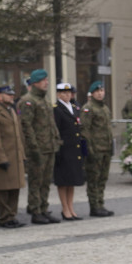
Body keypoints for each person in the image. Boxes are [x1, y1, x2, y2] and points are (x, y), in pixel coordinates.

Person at [19, 68, 61, 224]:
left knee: (45, 181)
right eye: (44, 80)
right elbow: (27, 127)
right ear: (36, 82)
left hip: (49, 147)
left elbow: (51, 124)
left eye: (47, 80)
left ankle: (44, 208)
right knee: (36, 181)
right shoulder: (28, 101)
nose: (47, 83)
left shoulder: (44, 100)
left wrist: (56, 140)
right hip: (37, 149)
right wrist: (34, 148)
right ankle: (35, 210)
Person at [0, 85, 27, 229]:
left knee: (15, 188)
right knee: (3, 189)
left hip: (15, 156)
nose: (11, 97)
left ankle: (12, 216)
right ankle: (4, 217)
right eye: (8, 95)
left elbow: (17, 135)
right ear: (0, 96)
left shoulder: (11, 111)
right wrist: (1, 158)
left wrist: (22, 154)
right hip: (3, 157)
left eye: (12, 94)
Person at [52, 82, 86, 221]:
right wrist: (58, 149)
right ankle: (64, 208)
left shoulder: (74, 107)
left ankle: (71, 207)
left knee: (72, 180)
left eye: (69, 93)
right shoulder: (56, 109)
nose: (67, 95)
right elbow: (56, 130)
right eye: (64, 93)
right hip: (64, 148)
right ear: (59, 94)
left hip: (74, 148)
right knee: (63, 180)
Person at [82, 80, 114, 217]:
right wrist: (89, 149)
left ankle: (100, 203)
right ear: (92, 93)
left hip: (105, 148)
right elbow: (85, 130)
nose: (100, 94)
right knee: (93, 179)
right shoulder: (88, 108)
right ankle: (94, 206)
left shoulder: (105, 108)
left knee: (102, 178)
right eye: (97, 91)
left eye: (102, 91)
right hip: (95, 149)